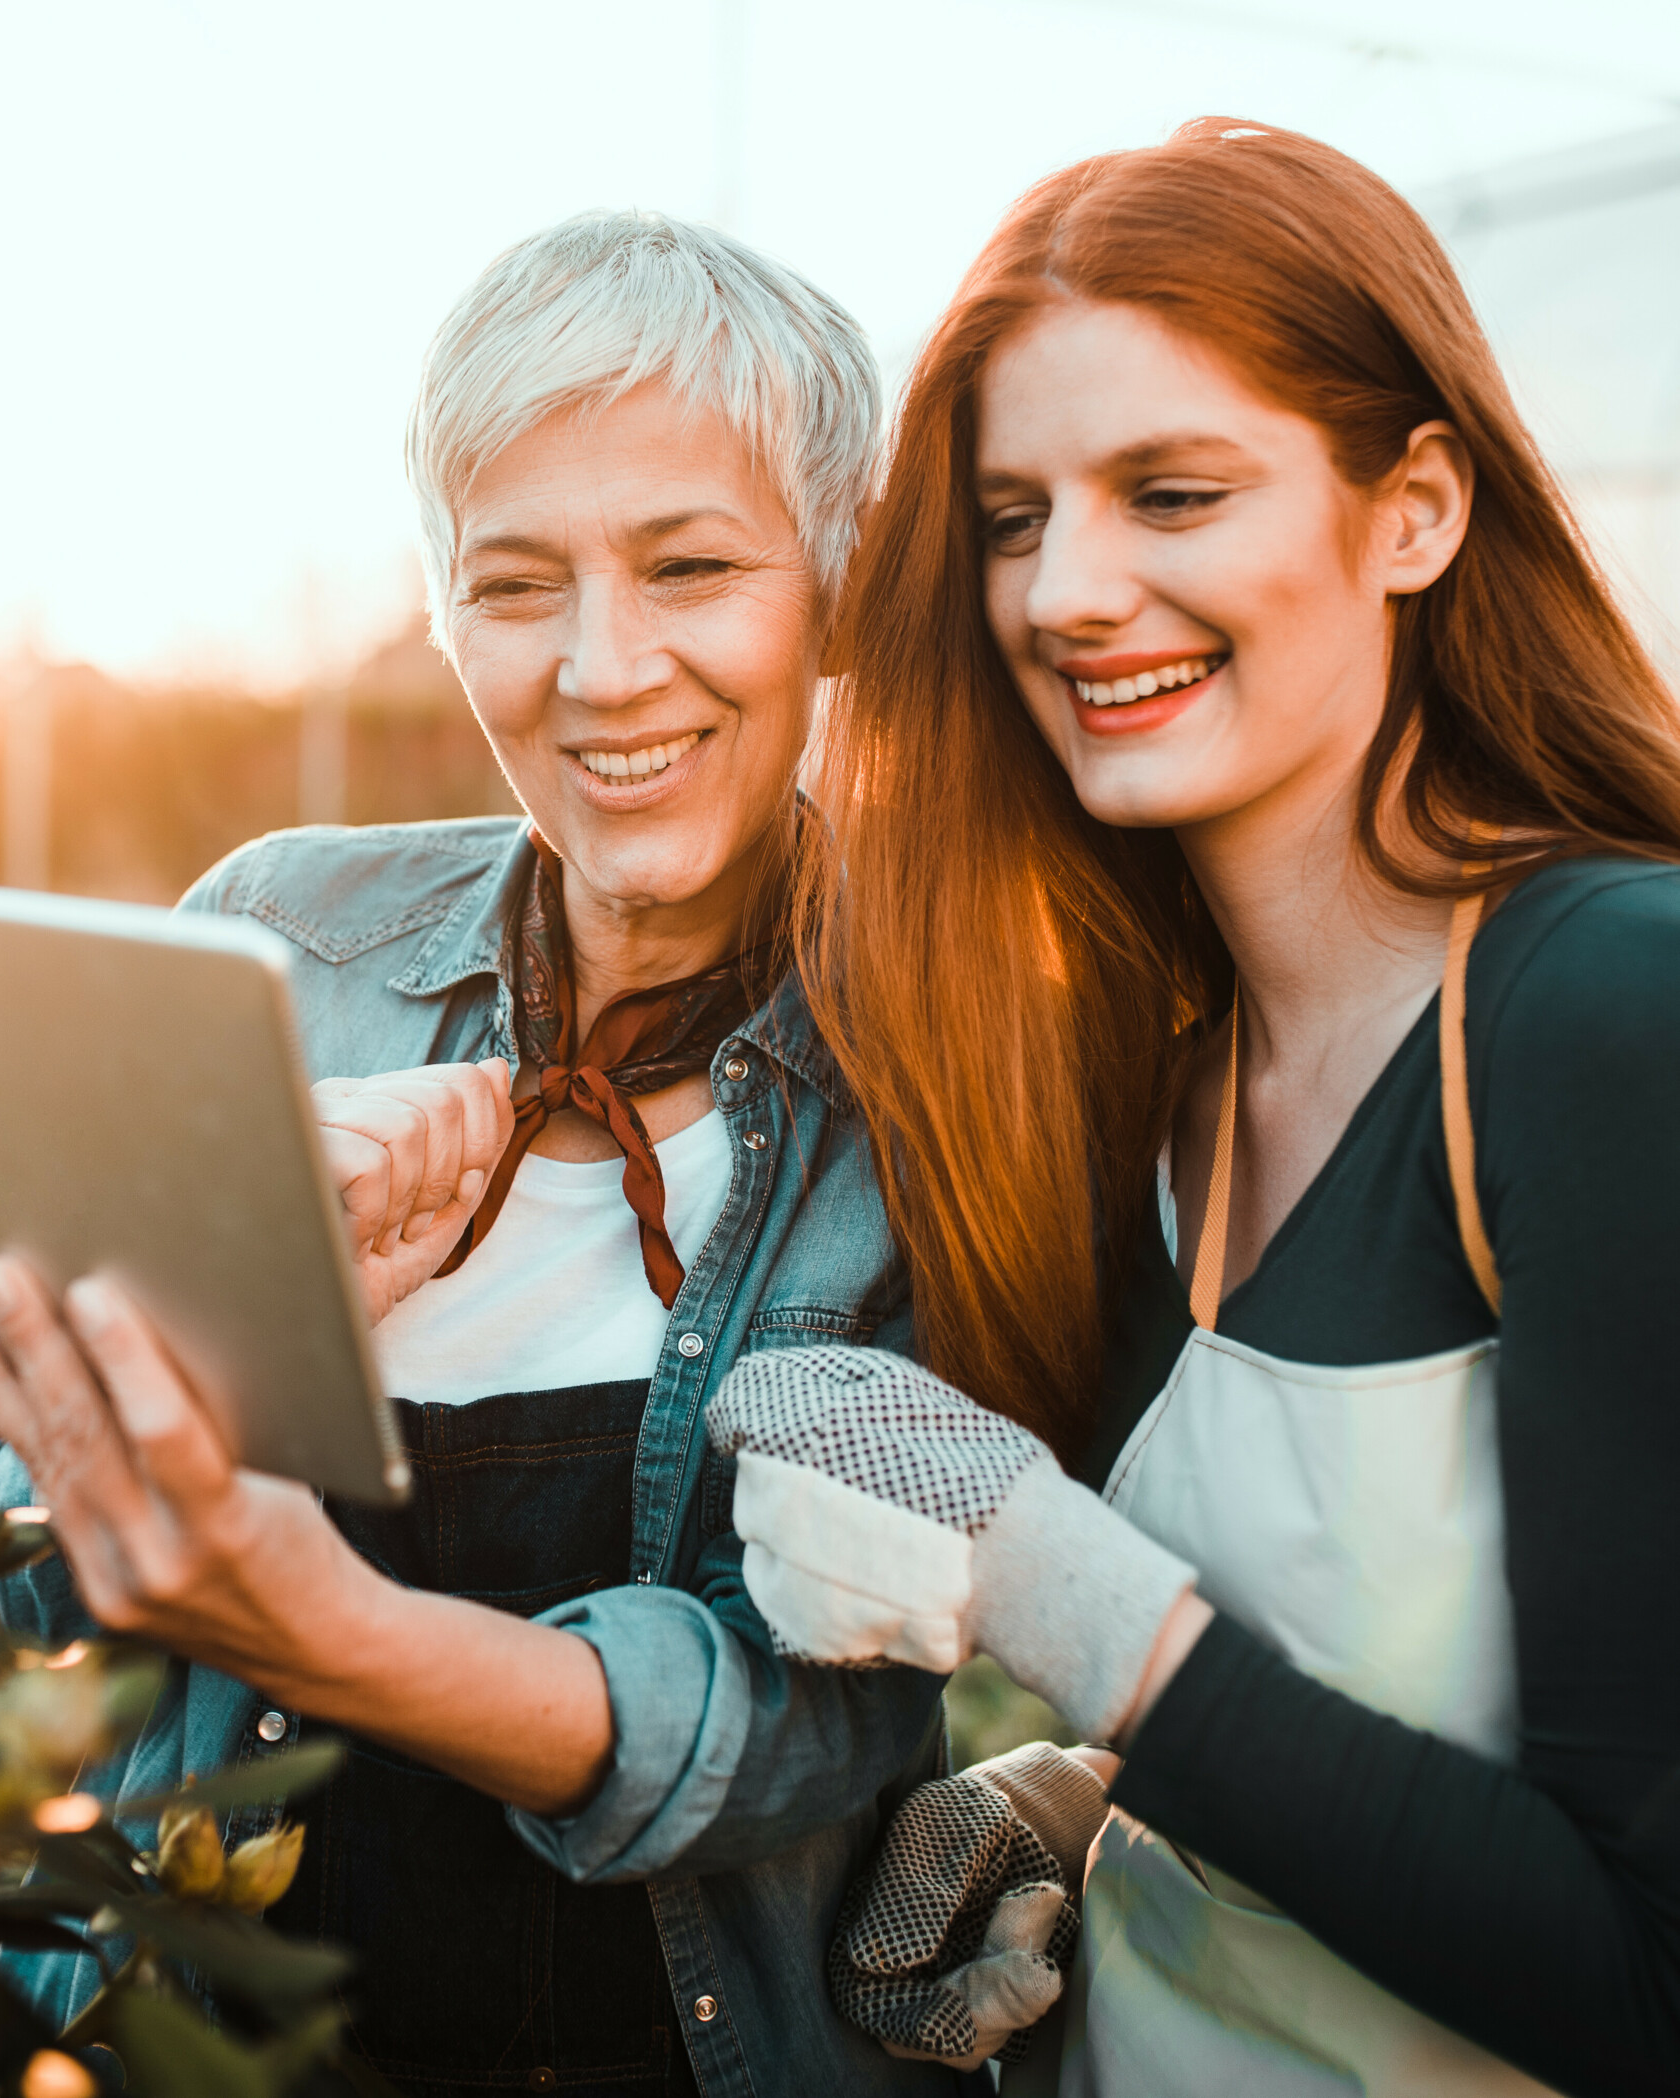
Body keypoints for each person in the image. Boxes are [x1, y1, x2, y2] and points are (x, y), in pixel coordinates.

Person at [0, 211, 967, 2097]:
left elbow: (832, 1710)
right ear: (439, 605)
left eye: (691, 567)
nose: (603, 666)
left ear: (834, 582)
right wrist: (239, 1316)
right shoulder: (272, 951)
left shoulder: (940, 1077)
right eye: (516, 584)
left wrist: (335, 1633)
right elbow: (20, 1577)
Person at [705, 120, 1680, 2095]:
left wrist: (1056, 1589)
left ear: (1413, 510)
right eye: (1009, 516)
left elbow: (1648, 1981)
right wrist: (1093, 1798)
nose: (1069, 589)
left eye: (1173, 490)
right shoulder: (1164, 1066)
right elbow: (1366, 1719)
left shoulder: (1605, 1013)